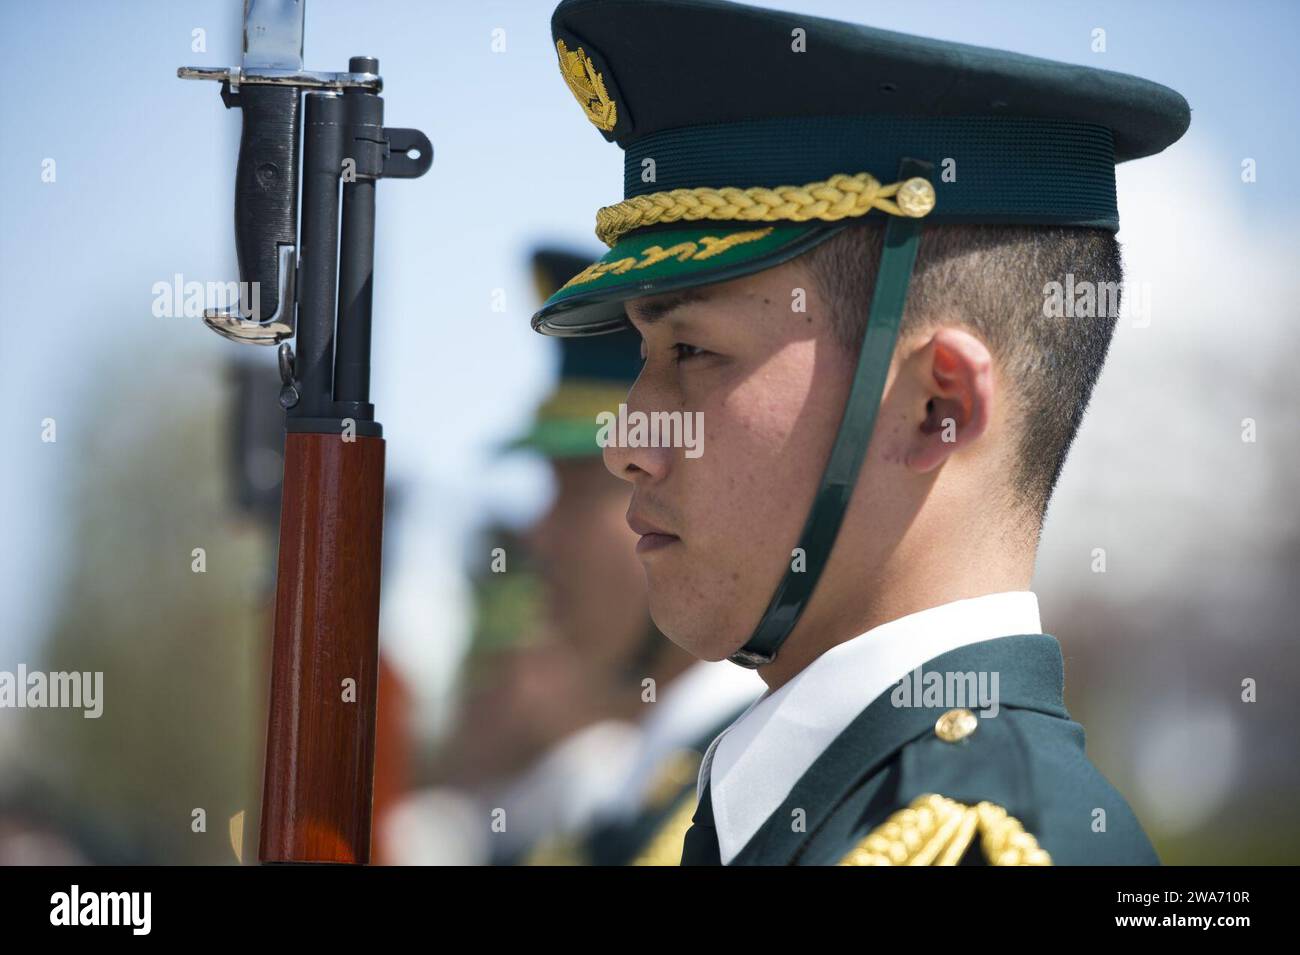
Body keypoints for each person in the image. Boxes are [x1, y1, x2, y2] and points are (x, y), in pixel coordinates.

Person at [530, 0, 1190, 865]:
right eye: (648, 352)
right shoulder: (784, 804)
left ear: (937, 406)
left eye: (692, 349)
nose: (624, 442)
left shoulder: (981, 845)